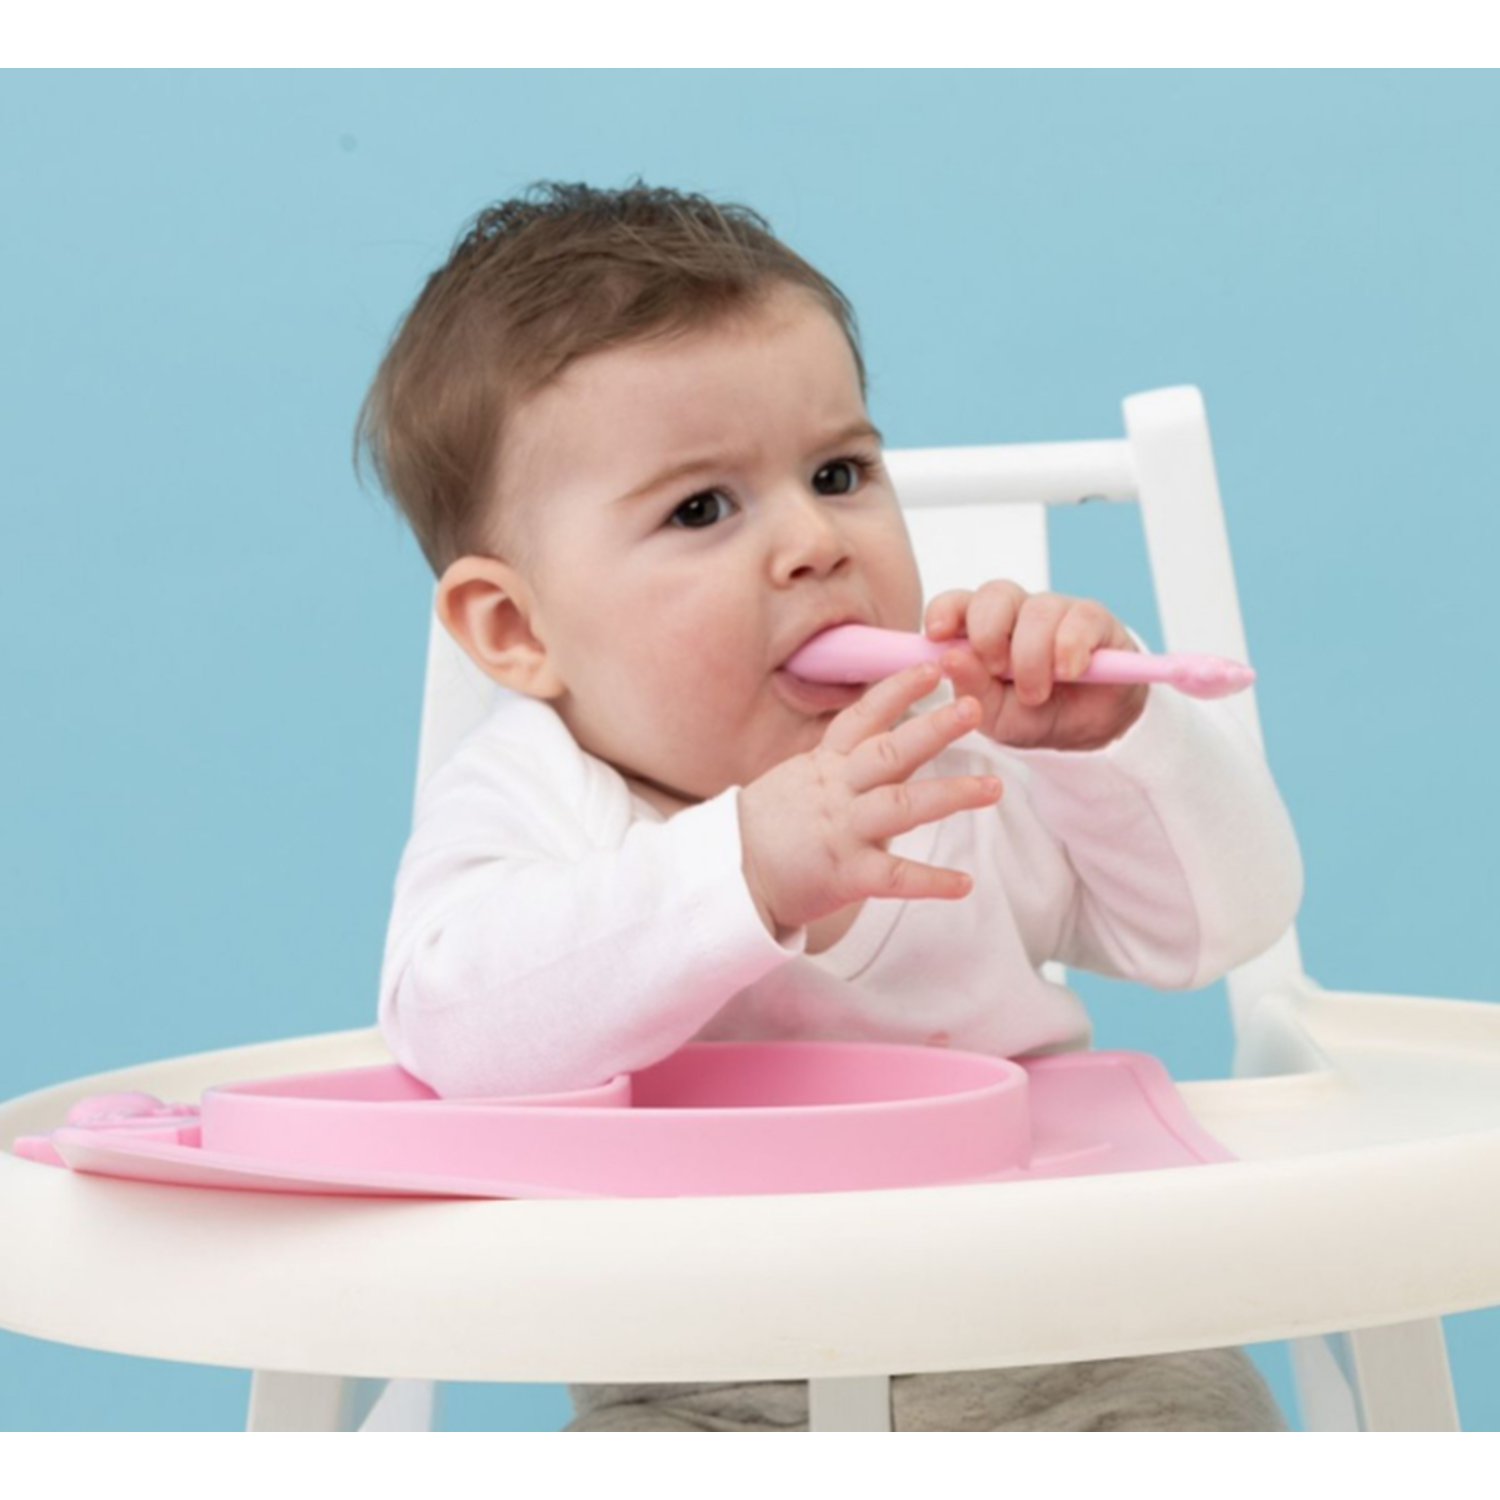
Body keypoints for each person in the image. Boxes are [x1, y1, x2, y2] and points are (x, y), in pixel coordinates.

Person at [357, 180, 1302, 1431]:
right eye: (701, 508)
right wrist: (742, 869)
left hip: (1075, 1338)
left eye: (839, 471)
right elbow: (457, 1032)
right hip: (706, 1383)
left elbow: (1220, 925)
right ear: (517, 629)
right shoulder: (532, 800)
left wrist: (1115, 745)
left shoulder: (959, 737)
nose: (814, 539)